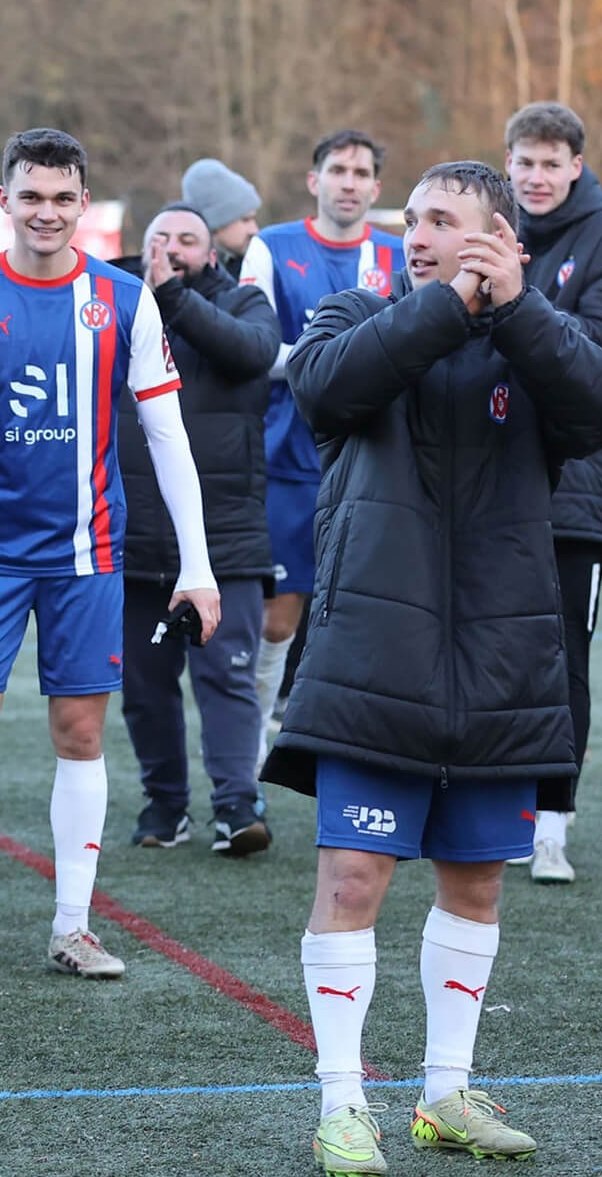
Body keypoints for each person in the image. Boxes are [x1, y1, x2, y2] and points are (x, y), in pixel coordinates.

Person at [262, 161, 602, 1177]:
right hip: (373, 656)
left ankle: (444, 1093)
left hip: (501, 663)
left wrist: (515, 308)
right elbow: (326, 388)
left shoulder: (537, 338)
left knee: (476, 882)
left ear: (502, 241)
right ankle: (342, 1104)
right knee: (352, 877)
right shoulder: (355, 315)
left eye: (444, 221)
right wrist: (449, 304)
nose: (417, 235)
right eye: (413, 219)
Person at [0, 128, 219, 979]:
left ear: (84, 204)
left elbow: (168, 435)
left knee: (80, 732)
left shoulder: (124, 300)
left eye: (62, 197)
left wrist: (197, 564)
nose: (46, 212)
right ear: (4, 199)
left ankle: (72, 926)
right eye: (31, 196)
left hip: (88, 553)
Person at [504, 102, 602, 884]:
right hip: (489, 474)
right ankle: (492, 808)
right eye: (524, 162)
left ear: (576, 167)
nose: (536, 177)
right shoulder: (490, 226)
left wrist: (511, 305)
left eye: (550, 163)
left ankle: (551, 822)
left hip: (576, 490)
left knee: (563, 658)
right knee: (488, 649)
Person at [117, 204, 279, 853]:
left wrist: (173, 298)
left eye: (188, 239)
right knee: (143, 687)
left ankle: (237, 804)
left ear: (212, 253)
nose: (172, 249)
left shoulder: (243, 302)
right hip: (133, 537)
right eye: (160, 237)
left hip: (226, 536)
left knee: (227, 678)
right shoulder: (113, 301)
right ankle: (165, 805)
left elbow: (252, 354)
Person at [239, 130, 403, 763]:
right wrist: (337, 361)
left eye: (361, 173)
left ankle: (365, 745)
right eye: (338, 170)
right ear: (315, 180)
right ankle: (251, 744)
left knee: (374, 614)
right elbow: (253, 349)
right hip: (287, 461)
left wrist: (333, 362)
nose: (349, 183)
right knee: (277, 619)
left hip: (374, 465)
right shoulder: (271, 247)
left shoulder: (400, 253)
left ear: (376, 187)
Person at [181, 158, 262, 278]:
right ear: (215, 225)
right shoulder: (185, 277)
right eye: (245, 220)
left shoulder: (256, 267)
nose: (254, 230)